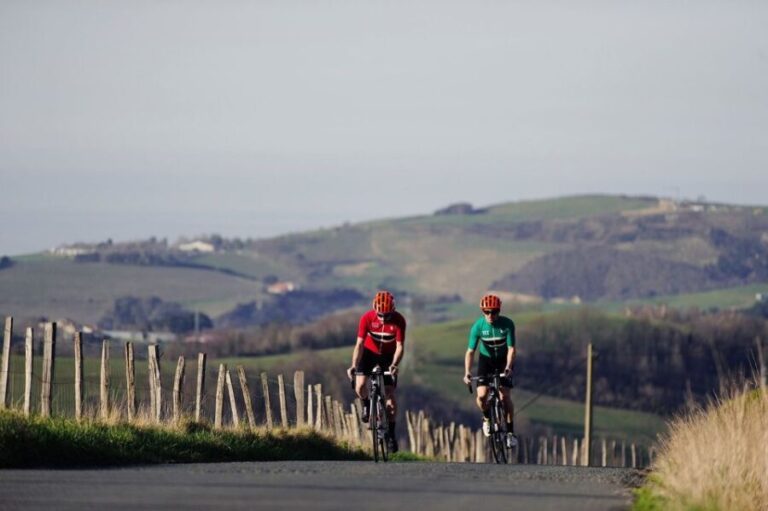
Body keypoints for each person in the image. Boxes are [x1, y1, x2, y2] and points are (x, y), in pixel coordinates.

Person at [347, 290, 406, 452]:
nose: (383, 319)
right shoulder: (366, 318)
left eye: (387, 316)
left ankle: (391, 435)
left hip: (388, 356)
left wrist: (394, 364)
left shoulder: (399, 320)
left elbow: (400, 347)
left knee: (390, 399)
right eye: (380, 315)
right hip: (368, 353)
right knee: (359, 386)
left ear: (392, 312)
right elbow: (359, 344)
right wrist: (354, 365)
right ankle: (366, 405)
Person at [463, 294, 518, 448]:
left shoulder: (507, 324)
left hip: (503, 361)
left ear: (499, 311)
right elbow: (470, 352)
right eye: (486, 312)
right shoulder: (478, 327)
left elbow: (512, 349)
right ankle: (487, 418)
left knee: (505, 396)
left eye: (494, 312)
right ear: (482, 312)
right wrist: (467, 371)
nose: (490, 315)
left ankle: (510, 433)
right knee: (481, 396)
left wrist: (508, 367)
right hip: (486, 360)